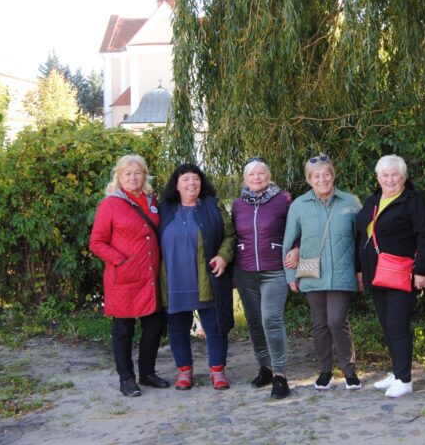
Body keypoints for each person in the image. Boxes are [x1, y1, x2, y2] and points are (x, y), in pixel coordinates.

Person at [355, 154, 425, 398]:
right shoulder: (372, 201)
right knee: (386, 323)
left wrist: (422, 270)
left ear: (404, 177)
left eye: (395, 175)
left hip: (401, 274)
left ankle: (404, 379)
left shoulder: (413, 201)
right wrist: (359, 270)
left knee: (397, 324)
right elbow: (361, 237)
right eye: (385, 175)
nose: (390, 180)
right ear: (378, 177)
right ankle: (396, 371)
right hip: (374, 274)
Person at [89, 154, 169, 397]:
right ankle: (127, 379)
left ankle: (147, 373)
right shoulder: (110, 204)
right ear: (119, 177)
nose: (133, 177)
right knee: (123, 331)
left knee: (154, 326)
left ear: (144, 175)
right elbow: (97, 242)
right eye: (128, 174)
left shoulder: (152, 200)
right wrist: (121, 261)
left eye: (137, 173)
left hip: (150, 277)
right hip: (123, 279)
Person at [283, 154, 364, 390]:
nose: (322, 179)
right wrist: (290, 277)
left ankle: (349, 371)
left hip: (342, 271)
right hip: (312, 273)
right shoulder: (299, 205)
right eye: (316, 176)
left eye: (326, 174)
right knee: (319, 323)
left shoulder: (350, 202)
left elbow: (361, 242)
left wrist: (360, 272)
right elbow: (288, 242)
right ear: (309, 180)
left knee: (337, 320)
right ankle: (325, 371)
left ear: (333, 175)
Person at [158, 163, 235, 391]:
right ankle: (184, 372)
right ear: (177, 185)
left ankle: (217, 371)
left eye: (196, 179)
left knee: (215, 327)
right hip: (174, 281)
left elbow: (230, 236)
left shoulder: (212, 206)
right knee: (178, 329)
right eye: (186, 180)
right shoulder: (164, 209)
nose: (192, 183)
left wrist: (223, 256)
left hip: (206, 279)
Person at [230, 158, 293, 399]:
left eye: (261, 173)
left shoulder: (283, 200)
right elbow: (232, 235)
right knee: (255, 322)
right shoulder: (237, 205)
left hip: (274, 269)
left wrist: (295, 248)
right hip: (246, 272)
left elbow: (296, 228)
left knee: (271, 320)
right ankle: (265, 367)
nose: (257, 178)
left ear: (269, 176)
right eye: (252, 174)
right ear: (245, 179)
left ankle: (280, 374)